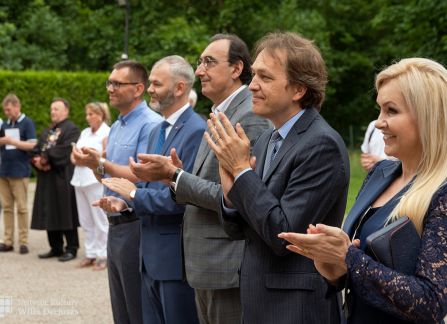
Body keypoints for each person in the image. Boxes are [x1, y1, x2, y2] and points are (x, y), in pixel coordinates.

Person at [279, 58, 447, 323]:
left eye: (391, 111)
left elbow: (431, 302)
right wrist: (334, 269)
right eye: (380, 110)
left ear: (427, 116)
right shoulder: (380, 174)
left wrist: (349, 258)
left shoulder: (442, 192)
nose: (378, 123)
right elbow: (360, 270)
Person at [206, 32, 349, 324]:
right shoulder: (264, 140)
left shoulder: (321, 145)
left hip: (294, 308)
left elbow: (283, 235)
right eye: (253, 74)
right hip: (259, 301)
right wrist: (230, 196)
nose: (252, 86)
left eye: (265, 77)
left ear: (297, 89)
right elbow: (240, 231)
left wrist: (243, 172)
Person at [127, 34, 271, 324]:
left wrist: (175, 176)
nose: (200, 71)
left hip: (226, 265)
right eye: (199, 62)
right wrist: (175, 176)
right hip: (208, 264)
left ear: (235, 69)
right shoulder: (220, 113)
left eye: (209, 62)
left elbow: (241, 194)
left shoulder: (248, 116)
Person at [97, 55, 204, 324]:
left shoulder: (196, 130)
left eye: (157, 84)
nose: (151, 89)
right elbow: (147, 182)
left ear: (179, 88)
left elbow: (184, 197)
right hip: (149, 255)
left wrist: (133, 195)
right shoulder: (159, 130)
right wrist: (125, 203)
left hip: (174, 260)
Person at [71, 60, 163, 324]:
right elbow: (107, 175)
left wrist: (102, 162)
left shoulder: (151, 124)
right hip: (115, 224)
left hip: (137, 224)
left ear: (138, 89)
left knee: (138, 308)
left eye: (117, 83)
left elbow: (143, 174)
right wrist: (94, 165)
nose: (110, 88)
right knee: (121, 308)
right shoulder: (119, 125)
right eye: (109, 82)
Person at [31, 98, 80, 262]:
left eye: (57, 109)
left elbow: (66, 150)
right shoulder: (48, 131)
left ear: (66, 111)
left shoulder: (72, 129)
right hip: (46, 179)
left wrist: (46, 159)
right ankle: (55, 247)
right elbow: (37, 149)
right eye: (52, 109)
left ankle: (71, 247)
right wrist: (37, 160)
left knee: (65, 212)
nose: (53, 112)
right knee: (49, 211)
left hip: (62, 177)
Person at [70, 102, 110, 270]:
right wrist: (80, 158)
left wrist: (83, 158)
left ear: (100, 115)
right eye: (87, 114)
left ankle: (103, 255)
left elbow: (105, 156)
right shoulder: (85, 132)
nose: (87, 117)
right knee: (85, 219)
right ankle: (90, 253)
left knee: (100, 218)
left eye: (91, 114)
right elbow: (73, 157)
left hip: (94, 180)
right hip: (79, 179)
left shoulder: (107, 132)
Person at [0, 94, 37, 254]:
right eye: (5, 110)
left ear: (16, 106)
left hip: (20, 171)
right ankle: (7, 241)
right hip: (4, 171)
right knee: (7, 208)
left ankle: (23, 241)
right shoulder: (5, 124)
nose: (7, 113)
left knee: (22, 208)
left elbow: (33, 145)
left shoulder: (27, 122)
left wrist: (13, 142)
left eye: (8, 109)